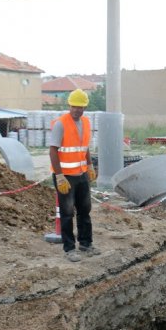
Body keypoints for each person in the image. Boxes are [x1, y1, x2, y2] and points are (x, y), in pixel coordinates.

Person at [49, 88, 101, 262]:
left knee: (85, 210)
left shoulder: (86, 123)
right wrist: (59, 175)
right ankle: (69, 248)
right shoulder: (60, 124)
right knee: (67, 212)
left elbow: (84, 147)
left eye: (81, 107)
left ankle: (86, 243)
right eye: (75, 106)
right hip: (66, 176)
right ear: (69, 105)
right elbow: (53, 151)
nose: (78, 110)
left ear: (85, 107)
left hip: (81, 175)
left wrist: (89, 165)